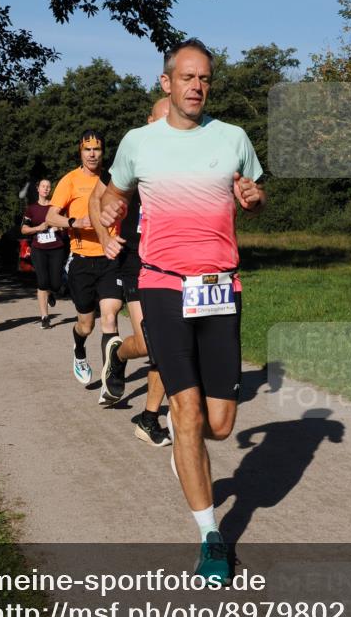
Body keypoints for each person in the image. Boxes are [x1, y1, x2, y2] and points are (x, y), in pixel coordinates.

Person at [99, 40, 265, 584]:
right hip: (163, 286)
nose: (197, 86)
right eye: (188, 77)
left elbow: (254, 196)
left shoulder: (233, 138)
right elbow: (110, 197)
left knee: (220, 424)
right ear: (166, 83)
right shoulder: (138, 142)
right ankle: (210, 536)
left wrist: (253, 199)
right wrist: (110, 214)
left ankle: (184, 430)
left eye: (205, 79)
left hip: (219, 289)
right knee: (189, 414)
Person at [88, 96, 171, 441]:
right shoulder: (134, 152)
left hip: (174, 260)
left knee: (169, 344)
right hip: (136, 260)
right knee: (154, 345)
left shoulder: (188, 156)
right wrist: (104, 237)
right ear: (149, 121)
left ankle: (150, 418)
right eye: (162, 120)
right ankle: (119, 354)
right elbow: (96, 199)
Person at [46, 130, 123, 385]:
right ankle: (79, 349)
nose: (92, 154)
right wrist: (75, 221)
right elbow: (50, 216)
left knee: (110, 317)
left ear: (103, 152)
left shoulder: (114, 179)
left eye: (97, 149)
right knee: (86, 325)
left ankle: (111, 379)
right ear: (80, 152)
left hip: (110, 257)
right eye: (87, 149)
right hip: (81, 260)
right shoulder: (70, 180)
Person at [20, 179, 68, 329]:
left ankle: (50, 292)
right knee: (42, 282)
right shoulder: (31, 209)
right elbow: (24, 229)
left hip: (56, 248)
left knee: (56, 284)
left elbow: (66, 224)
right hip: (39, 249)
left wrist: (60, 227)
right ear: (38, 189)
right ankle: (45, 317)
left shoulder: (56, 207)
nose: (46, 189)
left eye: (48, 187)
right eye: (43, 186)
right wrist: (38, 228)